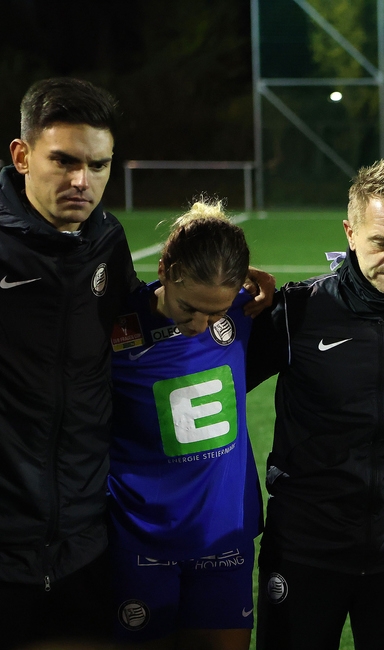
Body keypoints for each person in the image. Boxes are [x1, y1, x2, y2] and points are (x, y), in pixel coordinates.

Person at [249, 160, 384, 650]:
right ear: (349, 232)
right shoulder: (296, 312)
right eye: (381, 242)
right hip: (305, 548)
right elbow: (205, 367)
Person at [0, 77, 136, 648]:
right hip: (0, 548)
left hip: (83, 542)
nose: (83, 181)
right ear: (22, 156)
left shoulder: (106, 238)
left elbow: (129, 328)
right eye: (64, 161)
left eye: (98, 166)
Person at [107, 199, 263, 649]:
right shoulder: (116, 329)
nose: (200, 324)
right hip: (140, 536)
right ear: (164, 270)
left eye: (214, 314)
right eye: (189, 308)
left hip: (224, 533)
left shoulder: (243, 309)